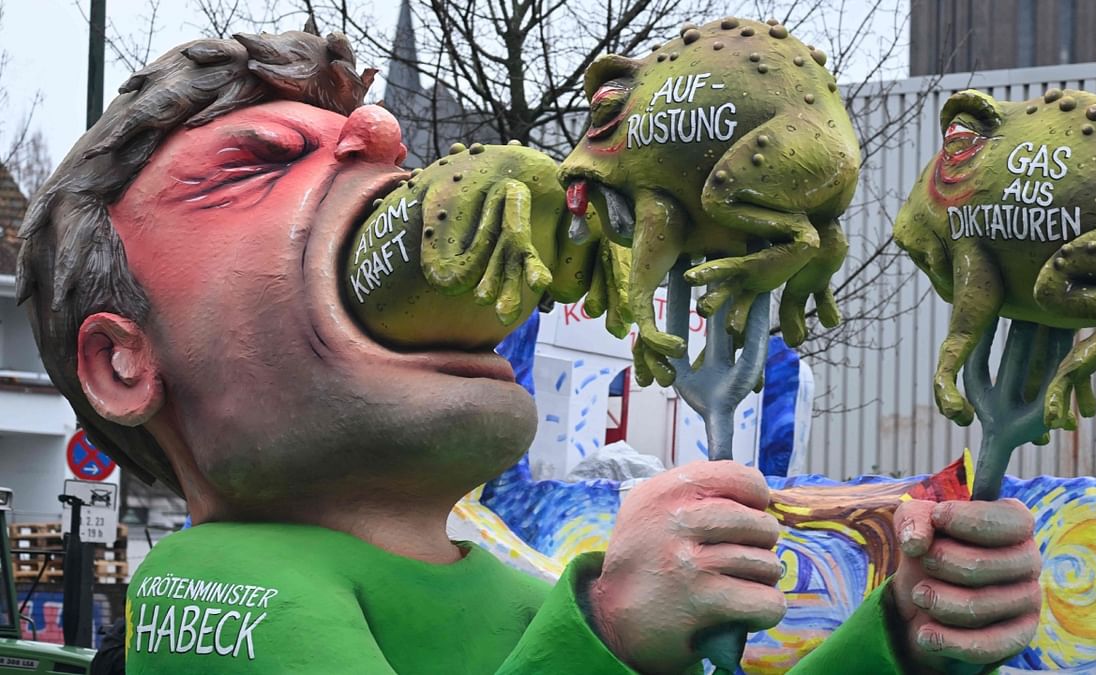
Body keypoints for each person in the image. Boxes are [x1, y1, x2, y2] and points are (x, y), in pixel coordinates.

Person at [19, 27, 1040, 674]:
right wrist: (601, 635)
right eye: (256, 166)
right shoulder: (221, 586)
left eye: (379, 146)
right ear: (123, 363)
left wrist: (901, 638)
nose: (378, 139)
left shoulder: (518, 596)